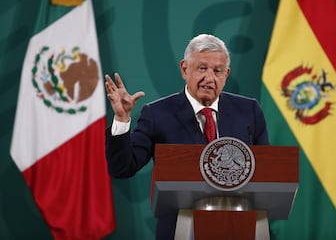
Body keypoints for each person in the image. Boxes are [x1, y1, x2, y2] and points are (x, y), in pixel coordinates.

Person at [105, 33, 269, 240]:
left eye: (217, 71)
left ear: (226, 74)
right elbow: (122, 168)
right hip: (180, 230)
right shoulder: (157, 114)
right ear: (185, 69)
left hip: (240, 229)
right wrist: (121, 119)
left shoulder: (249, 110)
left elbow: (266, 175)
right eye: (202, 68)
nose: (209, 78)